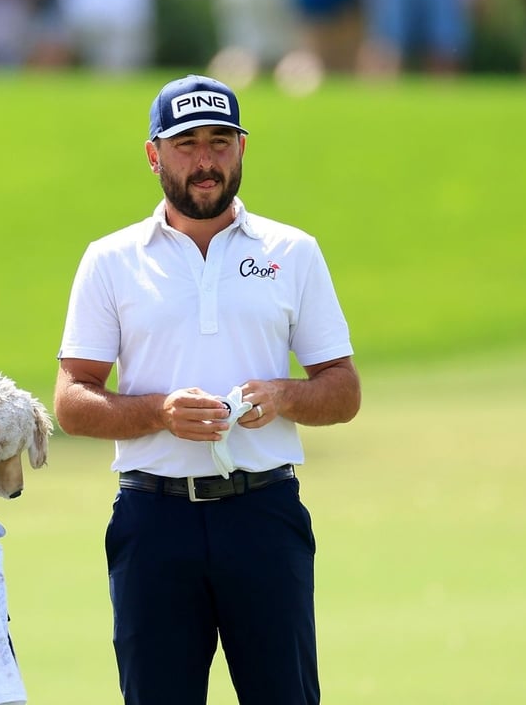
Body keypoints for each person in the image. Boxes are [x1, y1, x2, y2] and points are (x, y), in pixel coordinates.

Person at [53, 74, 360, 704]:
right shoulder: (110, 259)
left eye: (221, 142)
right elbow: (72, 400)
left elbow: (344, 389)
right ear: (153, 155)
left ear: (243, 149)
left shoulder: (292, 252)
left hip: (264, 515)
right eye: (187, 143)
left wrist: (285, 397)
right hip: (153, 518)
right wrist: (159, 414)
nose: (205, 161)